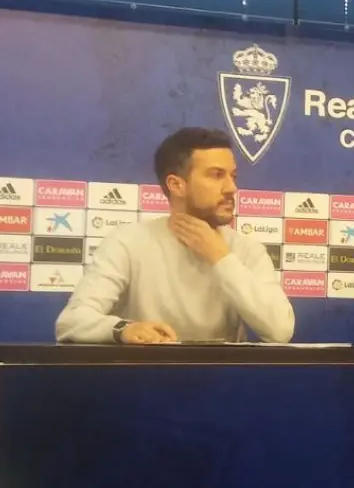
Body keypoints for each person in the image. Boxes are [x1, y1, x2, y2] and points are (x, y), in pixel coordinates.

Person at [55, 128, 295, 344]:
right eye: (216, 175)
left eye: (233, 176)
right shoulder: (127, 242)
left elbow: (280, 331)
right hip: (144, 376)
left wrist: (220, 258)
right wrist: (125, 329)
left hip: (223, 378)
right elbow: (71, 321)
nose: (232, 188)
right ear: (176, 185)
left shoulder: (246, 249)